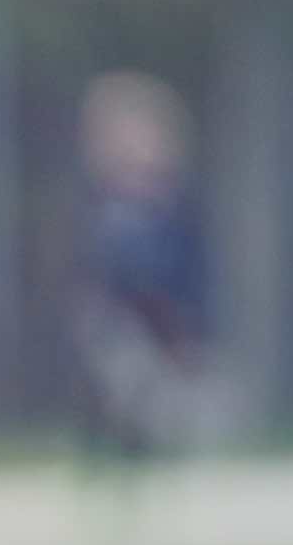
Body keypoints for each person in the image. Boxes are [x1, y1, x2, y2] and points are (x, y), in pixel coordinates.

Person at [74, 69, 212, 465]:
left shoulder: (176, 204)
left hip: (166, 318)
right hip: (118, 320)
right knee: (124, 380)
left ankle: (150, 448)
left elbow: (190, 266)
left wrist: (191, 323)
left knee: (161, 398)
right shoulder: (98, 203)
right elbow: (92, 269)